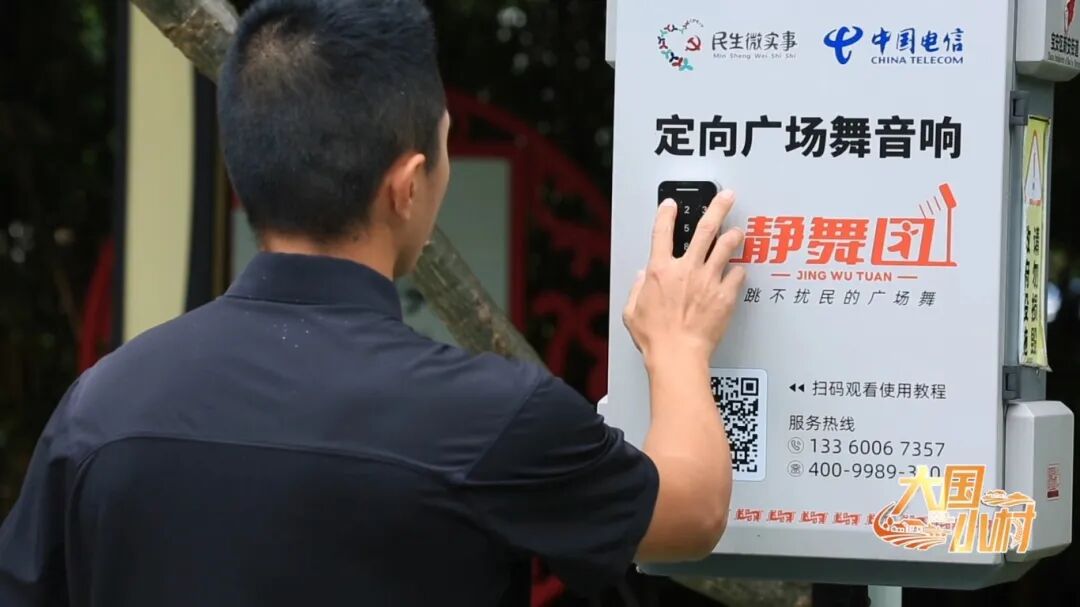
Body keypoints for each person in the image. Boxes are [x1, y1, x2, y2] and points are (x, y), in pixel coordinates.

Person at [0, 0, 746, 605]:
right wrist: (679, 345)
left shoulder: (99, 409)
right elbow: (693, 510)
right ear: (408, 185)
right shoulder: (492, 416)